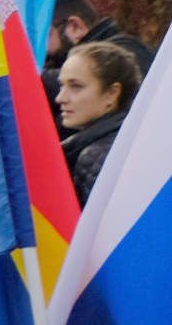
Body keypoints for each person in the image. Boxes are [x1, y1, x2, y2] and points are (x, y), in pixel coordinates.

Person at [56, 39, 139, 204]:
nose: (60, 98)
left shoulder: (97, 155)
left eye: (76, 86)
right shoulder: (128, 139)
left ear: (112, 93)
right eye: (62, 86)